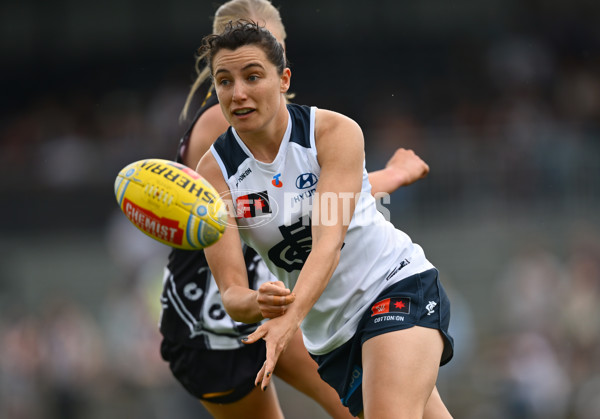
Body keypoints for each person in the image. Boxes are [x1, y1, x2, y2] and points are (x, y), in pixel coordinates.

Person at [195, 20, 455, 418]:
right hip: (332, 338)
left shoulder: (332, 132)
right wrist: (257, 302)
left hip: (393, 285)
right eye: (225, 81)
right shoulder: (213, 175)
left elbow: (328, 242)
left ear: (283, 79)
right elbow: (232, 295)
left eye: (252, 76)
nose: (239, 93)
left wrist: (288, 321)